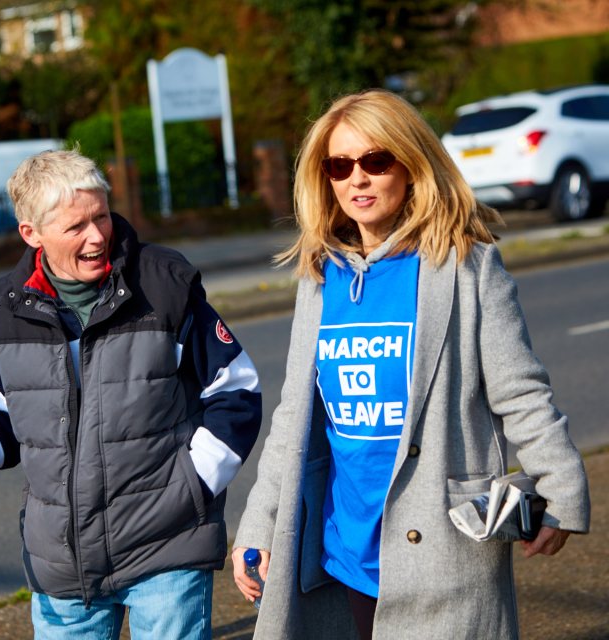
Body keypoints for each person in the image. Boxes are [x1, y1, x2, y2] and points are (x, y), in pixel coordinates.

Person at [231, 89, 590, 640]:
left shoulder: (466, 267)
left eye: (377, 161)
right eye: (340, 165)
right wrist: (259, 522)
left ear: (412, 165)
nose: (358, 179)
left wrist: (561, 487)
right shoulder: (319, 277)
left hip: (443, 552)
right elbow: (295, 416)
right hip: (346, 548)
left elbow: (520, 393)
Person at [0, 149, 262, 639]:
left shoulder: (164, 283)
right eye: (76, 227)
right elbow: (6, 412)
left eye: (101, 217)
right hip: (61, 563)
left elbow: (236, 393)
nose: (97, 236)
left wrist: (191, 487)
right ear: (31, 234)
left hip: (166, 548)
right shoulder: (1, 309)